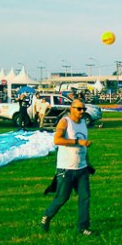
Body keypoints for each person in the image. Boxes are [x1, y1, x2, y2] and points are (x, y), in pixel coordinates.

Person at [41, 101, 96, 236]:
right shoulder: (65, 122)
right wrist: (77, 142)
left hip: (81, 168)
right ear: (71, 109)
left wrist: (88, 163)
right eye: (79, 109)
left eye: (83, 109)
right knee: (62, 197)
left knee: (85, 197)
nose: (82, 111)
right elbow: (57, 140)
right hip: (66, 168)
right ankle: (47, 216)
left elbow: (84, 145)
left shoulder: (83, 123)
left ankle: (83, 227)